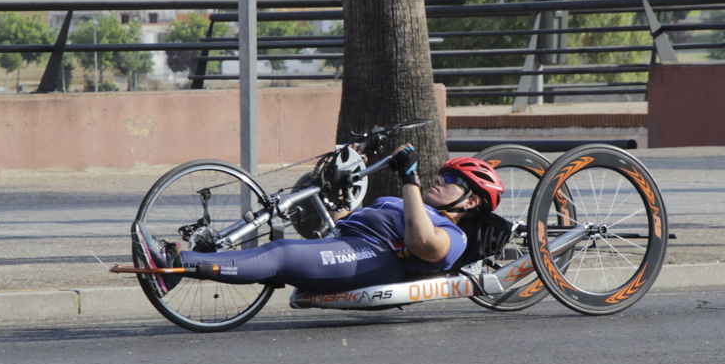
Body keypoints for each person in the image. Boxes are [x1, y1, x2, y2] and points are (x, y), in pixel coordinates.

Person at [132, 146, 505, 294]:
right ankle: (175, 273)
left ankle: (173, 264)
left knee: (279, 254)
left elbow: (422, 244)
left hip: (370, 258)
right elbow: (345, 219)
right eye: (441, 173)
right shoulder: (402, 202)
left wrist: (410, 178)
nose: (441, 179)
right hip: (345, 244)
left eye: (453, 180)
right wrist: (327, 194)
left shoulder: (452, 234)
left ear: (471, 201)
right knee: (278, 245)